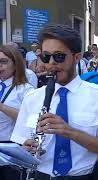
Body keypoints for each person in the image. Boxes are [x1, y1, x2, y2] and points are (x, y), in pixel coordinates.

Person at [10, 24, 98, 180]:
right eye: (45, 57)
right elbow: (20, 145)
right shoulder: (32, 98)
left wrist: (70, 132)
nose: (51, 63)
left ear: (76, 58)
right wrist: (25, 150)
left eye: (59, 56)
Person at [0, 45, 34, 179]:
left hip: (12, 149)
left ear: (16, 64)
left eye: (3, 62)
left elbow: (30, 119)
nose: (0, 66)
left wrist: (2, 107)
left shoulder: (25, 90)